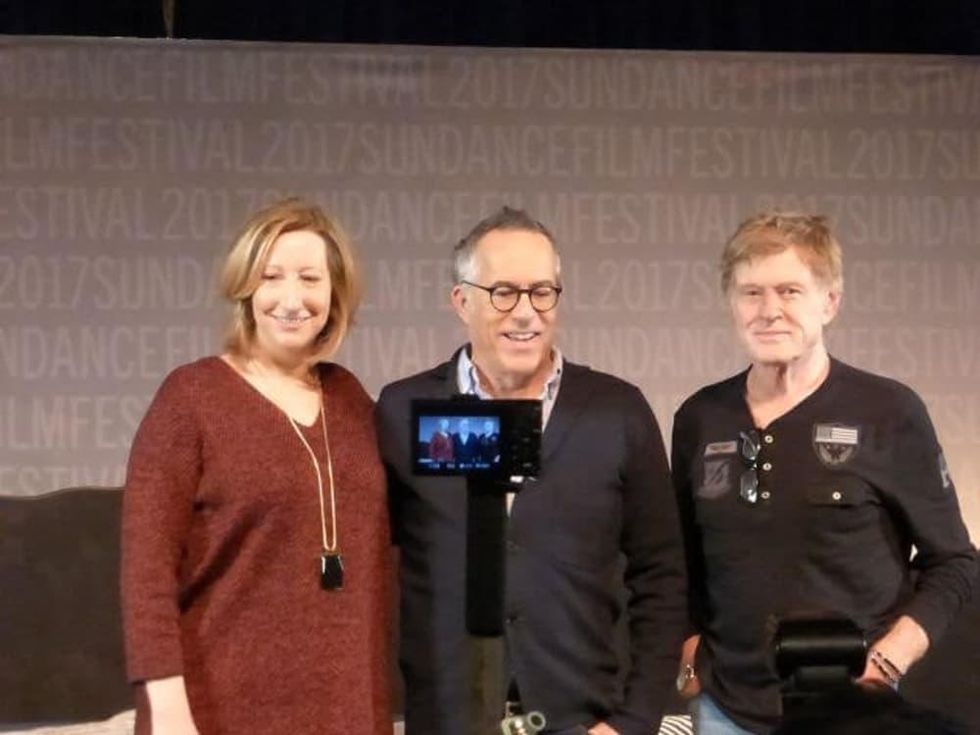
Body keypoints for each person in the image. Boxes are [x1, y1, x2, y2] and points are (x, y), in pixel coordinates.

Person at [377, 206, 687, 735]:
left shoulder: (617, 411)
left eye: (542, 291)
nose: (526, 313)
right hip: (448, 719)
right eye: (503, 292)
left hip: (585, 719)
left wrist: (634, 722)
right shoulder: (404, 410)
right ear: (462, 301)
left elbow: (661, 577)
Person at [671, 212, 979, 734]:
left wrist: (885, 664)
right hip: (725, 709)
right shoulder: (700, 417)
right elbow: (676, 563)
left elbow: (953, 562)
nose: (769, 311)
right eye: (751, 293)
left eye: (790, 291)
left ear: (829, 302)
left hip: (852, 713)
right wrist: (688, 657)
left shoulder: (889, 411)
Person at [120, 198, 392, 735]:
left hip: (346, 710)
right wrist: (168, 707)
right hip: (216, 708)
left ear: (335, 293)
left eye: (310, 278)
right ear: (246, 287)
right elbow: (145, 571)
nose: (292, 298)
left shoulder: (353, 400)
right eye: (272, 276)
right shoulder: (191, 397)